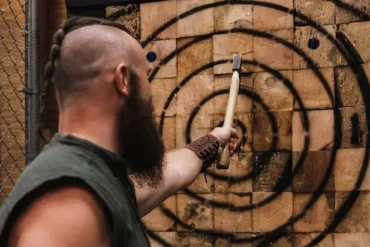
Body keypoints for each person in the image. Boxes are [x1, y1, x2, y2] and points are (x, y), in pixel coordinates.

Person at [0, 16, 238, 247]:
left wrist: (211, 142)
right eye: (145, 75)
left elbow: (169, 175)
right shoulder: (68, 204)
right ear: (123, 79)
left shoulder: (98, 177)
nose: (150, 93)